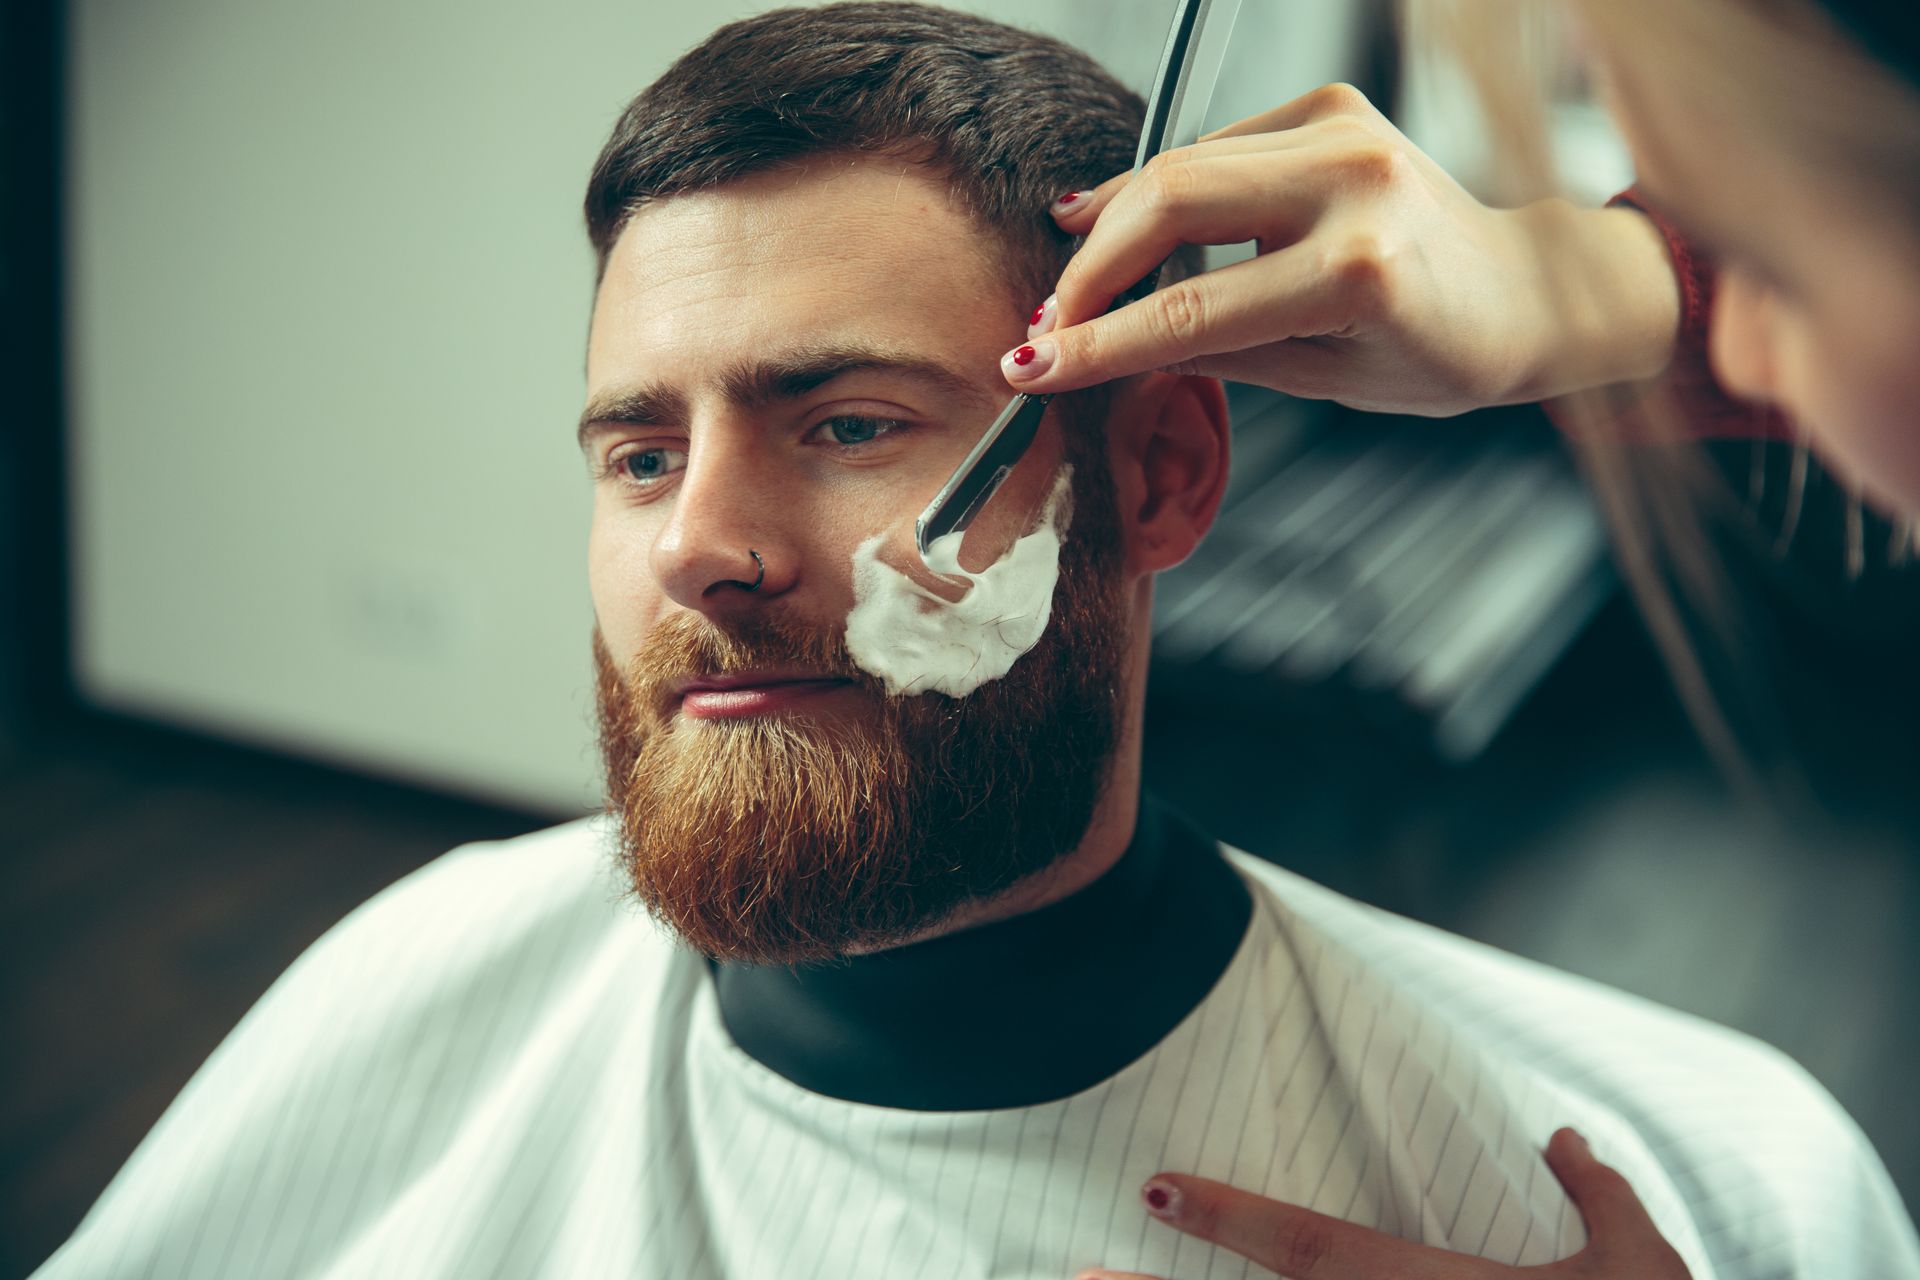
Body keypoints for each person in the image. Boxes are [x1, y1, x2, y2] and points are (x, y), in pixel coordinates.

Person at [35, 5, 1918, 1279]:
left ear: (1162, 469)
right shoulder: (415, 985)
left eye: (848, 422)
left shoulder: (1697, 1177)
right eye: (636, 450)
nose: (698, 543)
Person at [996, 1, 1920, 1277]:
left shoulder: (1771, 1159)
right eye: (642, 455)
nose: (1736, 347)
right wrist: (1593, 283)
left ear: (1169, 469)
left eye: (1779, 256)